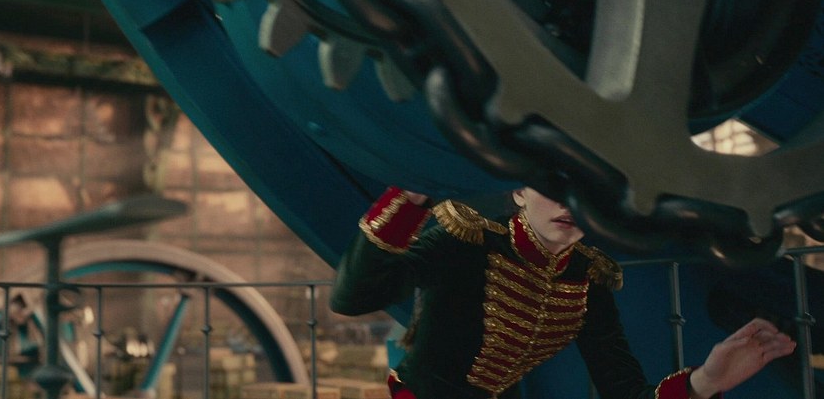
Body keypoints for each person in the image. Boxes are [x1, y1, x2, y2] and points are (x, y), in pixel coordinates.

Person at [331, 186, 797, 399]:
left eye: (586, 192)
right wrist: (407, 199)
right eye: (554, 187)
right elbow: (352, 298)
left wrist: (705, 382)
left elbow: (623, 391)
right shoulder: (465, 240)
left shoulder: (588, 277)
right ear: (519, 192)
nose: (569, 204)